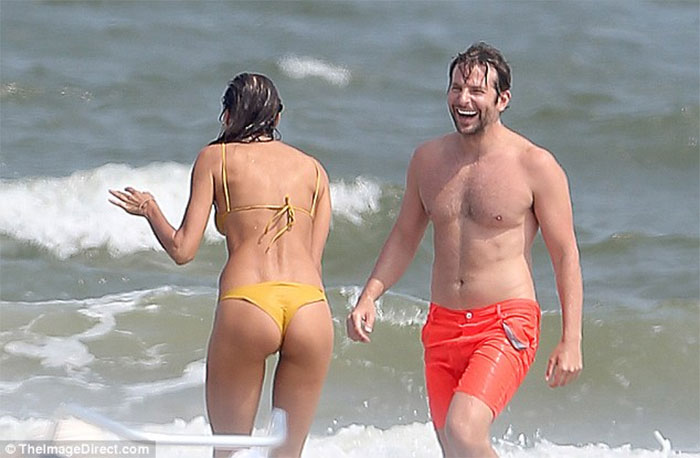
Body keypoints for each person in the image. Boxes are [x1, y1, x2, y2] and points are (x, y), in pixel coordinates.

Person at [347, 42, 583, 457]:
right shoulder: (428, 160)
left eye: (476, 91)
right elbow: (404, 236)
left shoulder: (535, 165)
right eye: (456, 89)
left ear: (502, 99)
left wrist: (571, 339)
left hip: (505, 322)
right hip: (442, 324)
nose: (463, 100)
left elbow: (565, 255)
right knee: (453, 448)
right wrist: (370, 295)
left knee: (464, 431)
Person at [109, 73, 333, 458]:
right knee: (288, 454)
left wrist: (150, 209)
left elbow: (183, 249)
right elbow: (314, 262)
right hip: (311, 309)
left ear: (228, 115)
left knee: (228, 451)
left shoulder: (216, 158)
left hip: (249, 303)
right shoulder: (315, 170)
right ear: (277, 118)